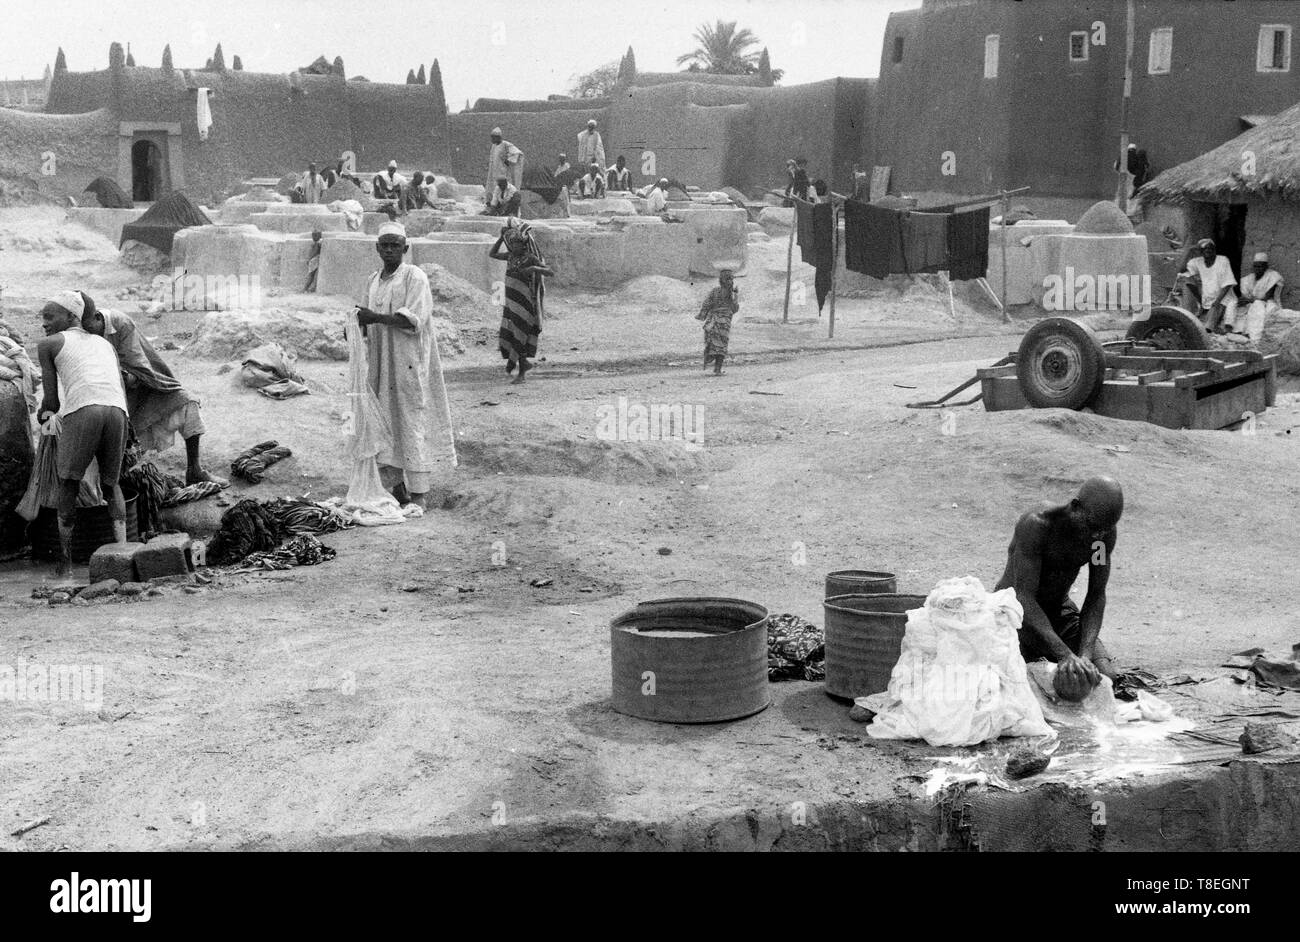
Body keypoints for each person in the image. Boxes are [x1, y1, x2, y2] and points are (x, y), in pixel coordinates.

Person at [354, 222, 455, 510]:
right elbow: (365, 315)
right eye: (384, 245)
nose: (389, 250)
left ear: (405, 248)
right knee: (383, 422)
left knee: (410, 421)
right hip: (381, 364)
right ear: (377, 248)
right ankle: (397, 489)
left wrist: (374, 318)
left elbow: (412, 319)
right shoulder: (373, 280)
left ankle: (420, 494)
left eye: (394, 245)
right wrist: (356, 325)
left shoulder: (414, 277)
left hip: (407, 362)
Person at [994, 476, 1125, 695]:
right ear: (1075, 507)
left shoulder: (1100, 539)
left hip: (1058, 612)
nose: (1097, 536)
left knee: (1104, 678)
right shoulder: (1037, 526)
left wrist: (1085, 655)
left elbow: (1096, 595)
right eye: (1092, 527)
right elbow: (1024, 597)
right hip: (1016, 615)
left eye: (1104, 530)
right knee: (1017, 683)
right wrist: (1064, 653)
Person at [79, 292, 223, 486]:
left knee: (186, 402)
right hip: (109, 396)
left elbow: (138, 364)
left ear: (97, 317)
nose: (87, 332)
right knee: (113, 443)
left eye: (88, 327)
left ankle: (194, 469)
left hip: (145, 384)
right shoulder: (80, 336)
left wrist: (125, 376)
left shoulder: (120, 324)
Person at [35, 291, 130, 573]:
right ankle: (122, 556)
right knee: (112, 485)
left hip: (85, 410)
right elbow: (118, 388)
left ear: (72, 316)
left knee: (69, 483)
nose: (44, 323)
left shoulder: (49, 344)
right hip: (117, 411)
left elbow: (51, 401)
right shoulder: (104, 344)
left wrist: (44, 418)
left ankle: (65, 565)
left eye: (50, 316)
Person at [489, 218, 553, 384]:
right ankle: (517, 364)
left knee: (521, 335)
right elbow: (492, 254)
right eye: (512, 243)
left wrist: (533, 269)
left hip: (524, 304)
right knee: (512, 334)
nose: (514, 246)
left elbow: (549, 271)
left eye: (517, 243)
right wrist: (500, 238)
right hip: (510, 302)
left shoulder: (530, 258)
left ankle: (522, 372)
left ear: (524, 245)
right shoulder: (510, 256)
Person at [1182, 238, 1237, 333]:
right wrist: (1189, 252)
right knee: (1187, 278)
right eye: (1204, 249)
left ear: (1214, 250)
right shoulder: (1198, 261)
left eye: (1210, 248)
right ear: (1201, 252)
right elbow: (1181, 270)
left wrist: (1217, 302)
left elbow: (1228, 284)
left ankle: (1209, 329)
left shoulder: (1223, 260)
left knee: (1207, 325)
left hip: (1223, 296)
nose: (1208, 250)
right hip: (1207, 297)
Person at [1227, 252, 1283, 344]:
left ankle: (1255, 338)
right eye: (1256, 266)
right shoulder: (1249, 278)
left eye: (1260, 266)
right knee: (1233, 303)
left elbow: (1266, 297)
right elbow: (1244, 294)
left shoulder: (1272, 276)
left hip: (1265, 304)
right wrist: (1243, 300)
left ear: (1266, 266)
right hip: (1251, 302)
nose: (1257, 269)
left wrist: (1250, 300)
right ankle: (1230, 330)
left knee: (1257, 305)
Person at [695, 269, 740, 376]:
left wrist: (702, 315)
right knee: (722, 345)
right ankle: (717, 369)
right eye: (730, 279)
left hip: (713, 322)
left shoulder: (715, 291)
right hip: (723, 323)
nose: (732, 282)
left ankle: (714, 365)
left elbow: (706, 304)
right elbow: (735, 309)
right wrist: (736, 296)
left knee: (713, 344)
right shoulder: (732, 294)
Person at [487, 128, 523, 192]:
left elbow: (517, 153)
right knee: (494, 187)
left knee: (503, 188)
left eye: (493, 138)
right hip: (495, 171)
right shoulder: (494, 146)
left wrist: (508, 161)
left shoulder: (506, 145)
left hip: (503, 172)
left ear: (498, 137)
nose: (491, 139)